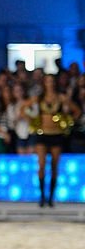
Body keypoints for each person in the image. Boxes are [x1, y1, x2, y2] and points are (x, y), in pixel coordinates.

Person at [29, 73, 80, 207]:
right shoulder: (39, 98)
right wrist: (33, 121)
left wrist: (67, 122)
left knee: (54, 166)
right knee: (41, 164)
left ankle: (51, 197)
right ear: (44, 83)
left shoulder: (61, 98)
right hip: (42, 134)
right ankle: (42, 197)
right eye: (47, 81)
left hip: (56, 134)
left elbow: (77, 111)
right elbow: (23, 108)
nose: (50, 83)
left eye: (52, 81)